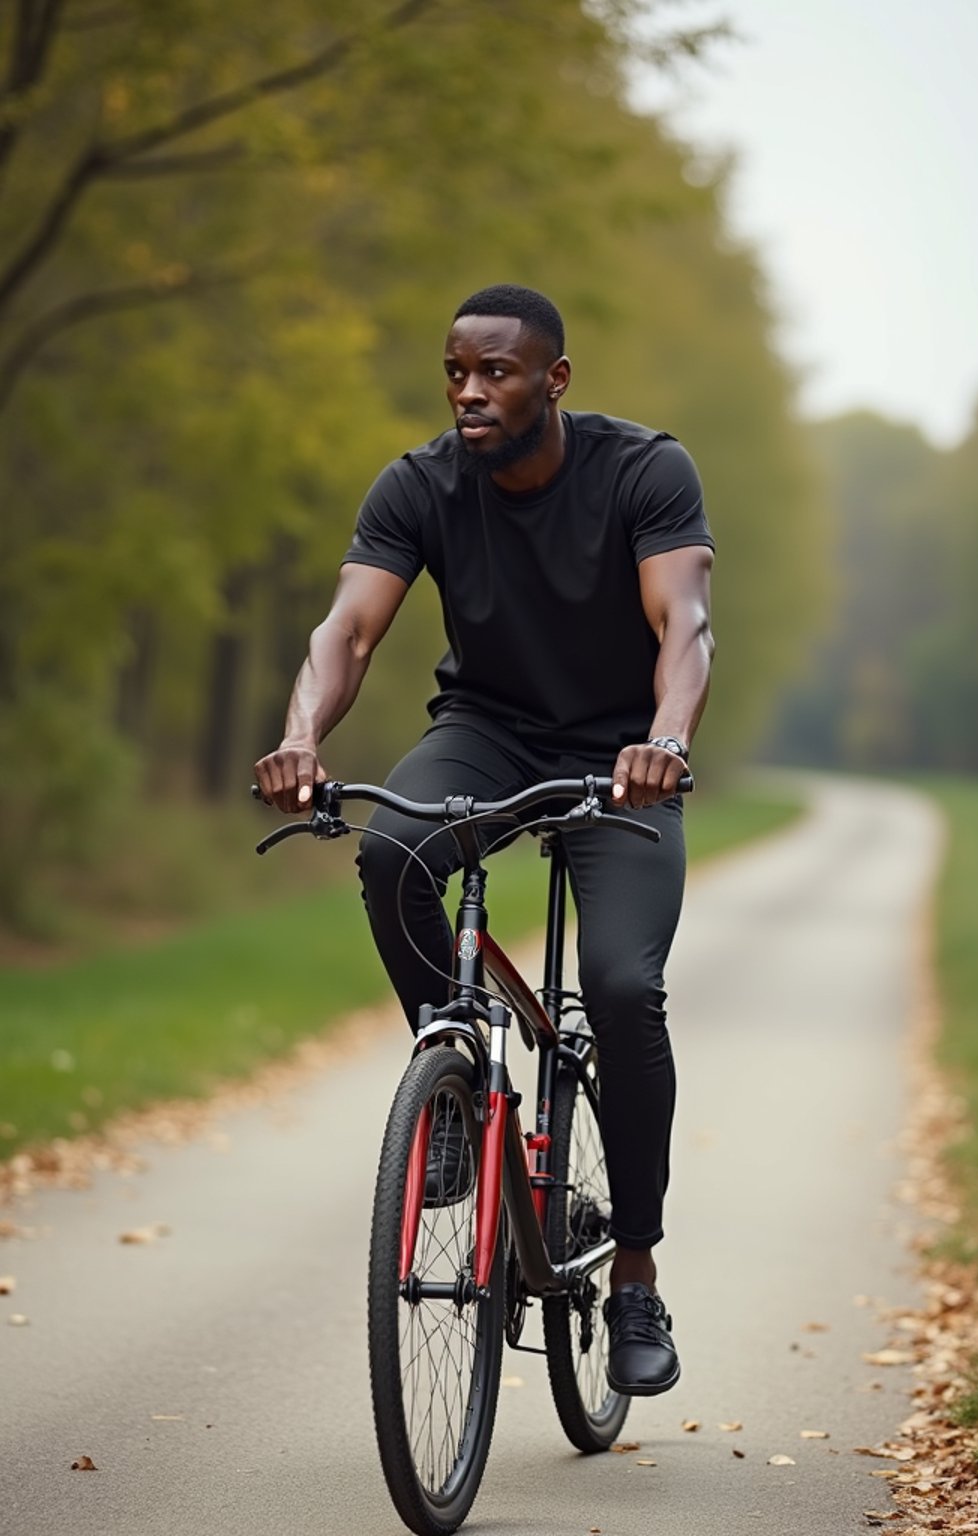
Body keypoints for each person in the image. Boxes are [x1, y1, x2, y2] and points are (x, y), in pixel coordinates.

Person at [254, 283, 715, 1396]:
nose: (470, 390)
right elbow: (349, 628)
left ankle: (637, 1274)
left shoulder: (644, 470)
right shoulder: (418, 484)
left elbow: (684, 621)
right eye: (456, 370)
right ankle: (451, 1076)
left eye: (496, 372)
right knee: (391, 852)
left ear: (553, 380)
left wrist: (662, 740)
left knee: (620, 985)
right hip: (488, 734)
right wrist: (300, 734)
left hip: (621, 759)